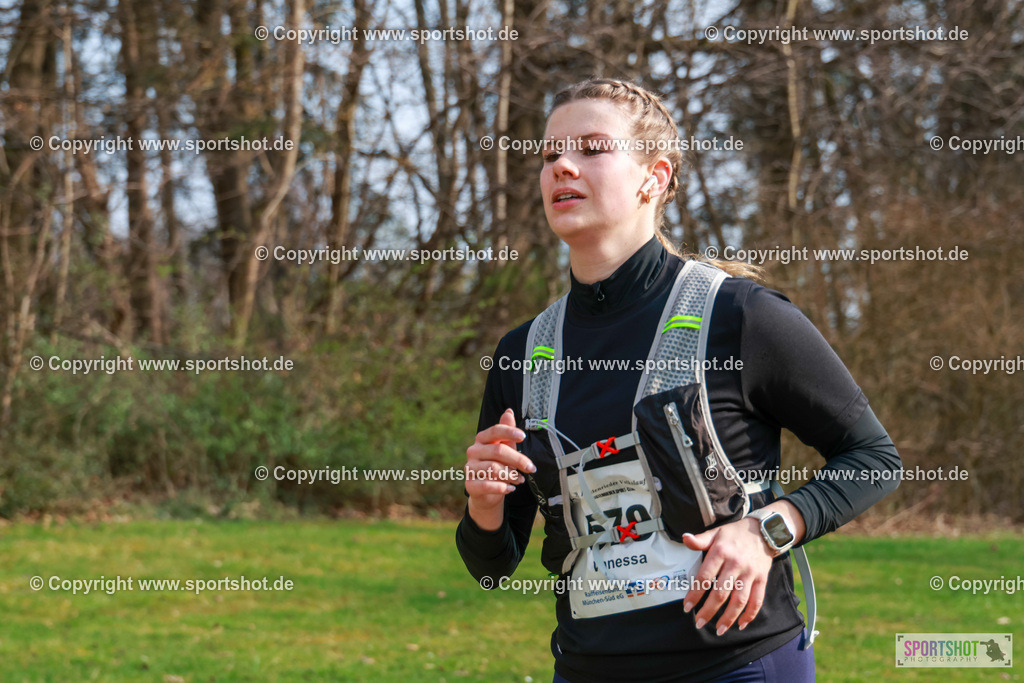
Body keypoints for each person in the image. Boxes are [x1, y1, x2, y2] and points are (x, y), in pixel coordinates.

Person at [456, 78, 900, 683]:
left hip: (738, 663)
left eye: (590, 148)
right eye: (549, 153)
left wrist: (770, 530)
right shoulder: (521, 354)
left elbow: (874, 458)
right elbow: (491, 567)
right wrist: (484, 504)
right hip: (588, 669)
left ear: (654, 176)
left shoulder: (743, 316)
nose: (561, 164)